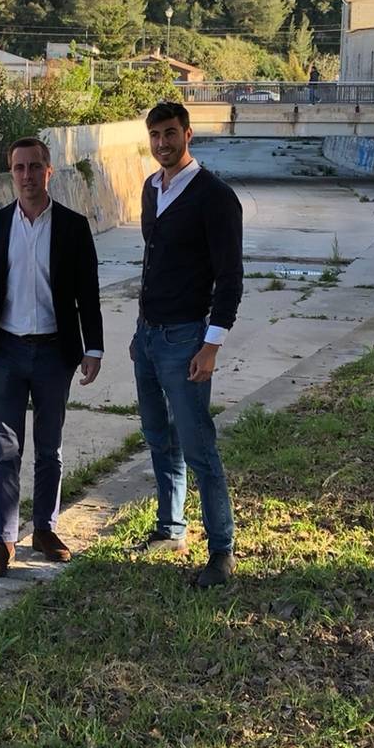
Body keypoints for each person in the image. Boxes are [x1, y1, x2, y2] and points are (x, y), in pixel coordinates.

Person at [0, 137, 104, 578]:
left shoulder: (72, 226)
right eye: (19, 168)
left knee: (50, 448)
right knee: (5, 449)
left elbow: (88, 292)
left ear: (50, 171)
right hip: (5, 351)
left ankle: (45, 529)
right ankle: (4, 539)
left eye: (35, 167)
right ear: (11, 173)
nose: (27, 176)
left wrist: (93, 347)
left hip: (54, 352)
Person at [132, 102, 243, 588]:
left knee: (199, 447)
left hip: (186, 340)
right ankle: (170, 528)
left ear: (188, 134)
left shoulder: (214, 197)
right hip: (149, 337)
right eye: (155, 135)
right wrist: (141, 334)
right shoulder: (152, 189)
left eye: (170, 133)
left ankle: (222, 551)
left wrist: (211, 344)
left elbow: (230, 277)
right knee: (160, 439)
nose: (162, 143)